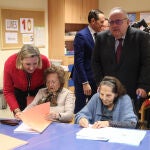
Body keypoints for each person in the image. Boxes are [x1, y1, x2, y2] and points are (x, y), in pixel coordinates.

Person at [91, 7, 150, 114]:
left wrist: (143, 86)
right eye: (111, 22)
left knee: (129, 124)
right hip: (108, 92)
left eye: (118, 22)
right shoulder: (101, 38)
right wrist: (100, 83)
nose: (114, 25)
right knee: (107, 123)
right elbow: (95, 62)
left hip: (132, 91)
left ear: (127, 22)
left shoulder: (141, 37)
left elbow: (147, 63)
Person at [3, 44, 50, 118]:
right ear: (21, 60)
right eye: (28, 64)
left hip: (39, 88)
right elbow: (8, 91)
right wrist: (17, 111)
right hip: (19, 90)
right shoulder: (10, 63)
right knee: (21, 117)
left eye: (35, 63)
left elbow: (49, 83)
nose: (31, 68)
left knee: (39, 116)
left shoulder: (44, 61)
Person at [72, 9, 105, 113]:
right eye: (101, 22)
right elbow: (78, 61)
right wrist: (85, 82)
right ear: (93, 21)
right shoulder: (81, 35)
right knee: (81, 106)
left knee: (93, 106)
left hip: (94, 77)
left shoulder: (100, 35)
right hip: (83, 78)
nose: (103, 24)